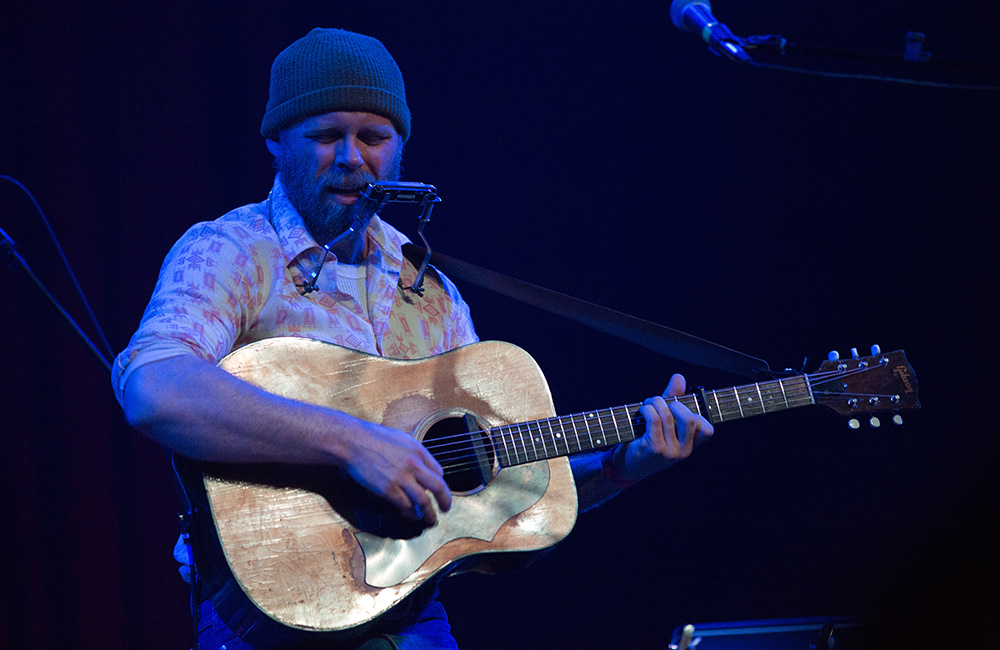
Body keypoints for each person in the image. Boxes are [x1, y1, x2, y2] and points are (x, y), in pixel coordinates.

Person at [112, 27, 714, 650]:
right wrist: (352, 442)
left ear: (399, 148)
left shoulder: (429, 290)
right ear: (276, 141)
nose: (352, 157)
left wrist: (622, 467)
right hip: (264, 619)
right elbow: (154, 389)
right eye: (325, 136)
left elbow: (498, 498)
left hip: (410, 617)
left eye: (373, 137)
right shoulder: (230, 253)